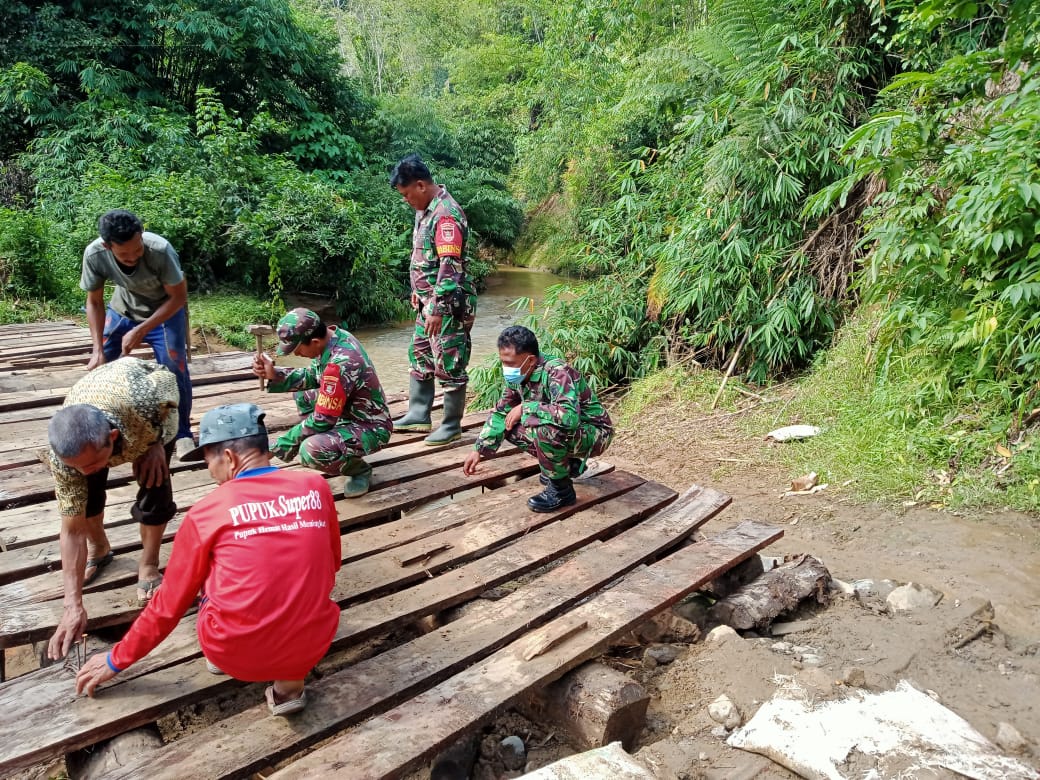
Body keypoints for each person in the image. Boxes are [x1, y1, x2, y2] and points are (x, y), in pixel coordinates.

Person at [74, 403, 341, 716]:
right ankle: (289, 690)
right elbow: (332, 562)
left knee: (206, 579)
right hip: (311, 645)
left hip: (233, 652)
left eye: (206, 460)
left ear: (229, 458)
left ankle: (223, 657)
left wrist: (114, 659)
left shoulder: (206, 512)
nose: (210, 473)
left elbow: (167, 606)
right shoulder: (315, 486)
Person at [45, 357, 180, 660]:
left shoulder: (144, 405)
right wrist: (73, 604)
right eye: (77, 468)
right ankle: (101, 550)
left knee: (154, 491)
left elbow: (169, 385)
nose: (86, 471)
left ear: (114, 439)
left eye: (93, 463)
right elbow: (71, 529)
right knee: (87, 501)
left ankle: (148, 563)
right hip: (97, 402)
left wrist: (157, 441)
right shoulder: (65, 457)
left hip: (149, 415)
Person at [81, 209, 194, 460]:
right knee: (100, 367)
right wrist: (97, 351)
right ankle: (102, 428)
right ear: (107, 246)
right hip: (123, 309)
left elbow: (179, 297)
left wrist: (141, 330)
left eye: (137, 249)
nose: (132, 257)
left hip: (165, 311)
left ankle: (183, 433)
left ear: (142, 235)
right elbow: (94, 303)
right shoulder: (95, 254)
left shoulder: (161, 251)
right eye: (124, 254)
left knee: (175, 368)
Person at [462, 326, 614, 512]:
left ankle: (561, 491)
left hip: (595, 433)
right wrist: (479, 449)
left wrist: (527, 407)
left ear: (531, 359)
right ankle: (564, 466)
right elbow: (502, 412)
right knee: (510, 423)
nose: (506, 369)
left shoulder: (557, 372)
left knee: (543, 429)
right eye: (503, 362)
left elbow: (569, 417)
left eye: (510, 363)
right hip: (570, 433)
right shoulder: (518, 376)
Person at [252, 308, 392, 498]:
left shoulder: (341, 362)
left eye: (297, 349)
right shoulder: (334, 338)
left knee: (311, 450)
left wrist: (277, 447)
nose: (297, 354)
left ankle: (358, 469)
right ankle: (334, 441)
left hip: (370, 426)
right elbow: (314, 376)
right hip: (346, 412)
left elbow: (322, 419)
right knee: (303, 395)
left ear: (315, 341)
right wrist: (275, 374)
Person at [389, 154, 476, 446]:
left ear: (421, 185)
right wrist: (418, 290)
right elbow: (425, 256)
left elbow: (450, 266)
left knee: (449, 362)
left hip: (447, 306)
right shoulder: (424, 210)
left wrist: (438, 307)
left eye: (406, 194)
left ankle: (451, 425)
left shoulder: (446, 214)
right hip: (427, 303)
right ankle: (418, 413)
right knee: (421, 355)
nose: (406, 200)